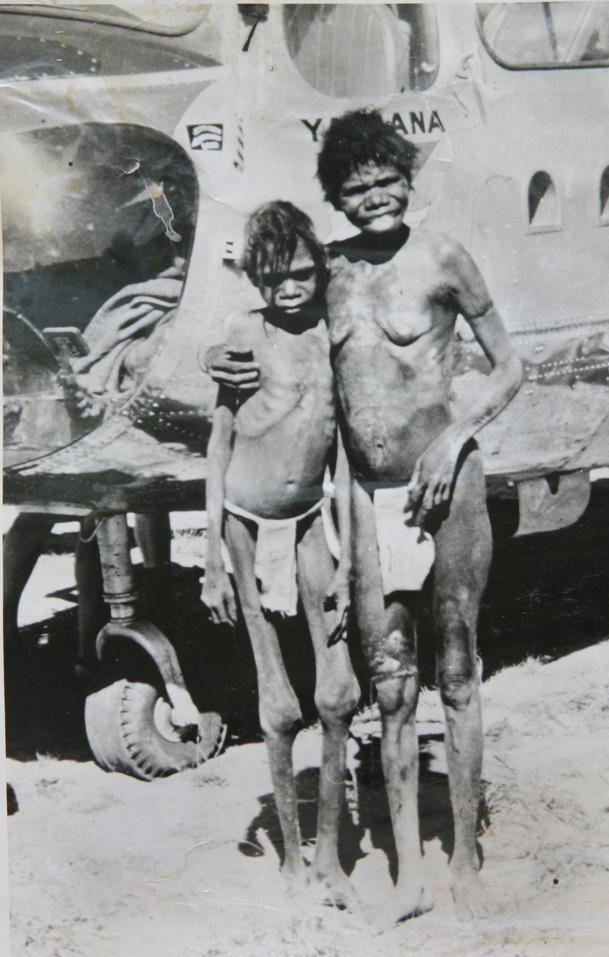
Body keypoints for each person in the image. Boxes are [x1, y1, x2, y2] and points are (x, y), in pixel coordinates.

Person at [206, 110, 523, 923]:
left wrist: (456, 437)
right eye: (357, 190)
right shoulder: (333, 273)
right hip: (367, 499)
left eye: (387, 182)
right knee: (390, 684)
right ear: (338, 200)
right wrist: (221, 357)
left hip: (446, 488)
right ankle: (409, 871)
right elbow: (269, 327)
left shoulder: (443, 257)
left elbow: (509, 365)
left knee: (456, 672)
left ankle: (467, 865)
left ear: (408, 180)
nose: (375, 198)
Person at [201, 201, 359, 905]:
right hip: (243, 520)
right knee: (276, 694)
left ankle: (332, 855)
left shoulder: (333, 334)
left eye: (300, 274)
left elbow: (344, 450)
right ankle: (292, 864)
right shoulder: (242, 333)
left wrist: (349, 545)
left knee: (338, 688)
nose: (289, 290)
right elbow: (220, 443)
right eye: (273, 280)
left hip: (308, 518)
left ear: (318, 268)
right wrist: (211, 553)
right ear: (255, 281)